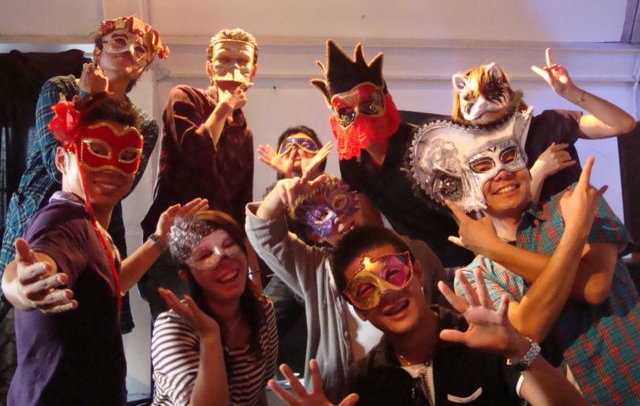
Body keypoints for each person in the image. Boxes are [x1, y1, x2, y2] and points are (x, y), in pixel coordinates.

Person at [0, 93, 203, 406]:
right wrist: (23, 286)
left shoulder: (92, 227)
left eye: (127, 156)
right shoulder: (63, 220)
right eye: (96, 150)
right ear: (61, 159)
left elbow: (112, 283)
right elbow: (34, 264)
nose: (112, 167)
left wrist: (159, 239)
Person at [269, 226, 587, 406]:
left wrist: (518, 349)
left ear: (417, 272)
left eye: (393, 274)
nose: (388, 293)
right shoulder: (364, 383)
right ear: (358, 308)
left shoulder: (481, 341)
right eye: (366, 290)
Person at [447, 152, 640, 403]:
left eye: (510, 156)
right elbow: (529, 328)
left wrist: (495, 249)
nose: (502, 172)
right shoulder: (474, 276)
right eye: (483, 166)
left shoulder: (575, 199)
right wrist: (576, 231)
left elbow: (594, 286)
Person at [246, 174, 445, 402]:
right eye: (321, 216)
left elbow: (444, 312)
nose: (339, 220)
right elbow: (266, 235)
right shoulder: (316, 271)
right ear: (313, 234)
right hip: (349, 394)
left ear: (353, 199)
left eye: (339, 202)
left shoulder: (414, 252)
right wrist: (281, 192)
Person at [311, 39, 472, 267]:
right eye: (345, 110)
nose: (359, 115)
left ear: (385, 100)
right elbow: (370, 220)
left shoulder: (423, 142)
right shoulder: (351, 160)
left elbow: (465, 205)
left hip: (465, 253)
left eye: (368, 103)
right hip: (417, 261)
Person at [140, 28, 258, 320]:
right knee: (177, 330)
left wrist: (251, 267)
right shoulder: (184, 98)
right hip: (175, 241)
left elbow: (240, 204)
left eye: (242, 61)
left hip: (219, 247)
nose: (233, 68)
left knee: (219, 329)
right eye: (223, 59)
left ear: (253, 72)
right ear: (209, 68)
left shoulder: (243, 131)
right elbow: (196, 153)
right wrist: (224, 106)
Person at [450, 48, 636, 204]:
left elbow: (622, 124)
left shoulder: (549, 124)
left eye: (490, 93)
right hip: (528, 237)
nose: (482, 104)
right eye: (472, 98)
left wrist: (570, 92)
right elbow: (502, 220)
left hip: (578, 228)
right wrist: (538, 171)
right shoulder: (472, 160)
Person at [152, 210, 277, 406]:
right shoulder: (173, 328)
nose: (223, 257)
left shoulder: (262, 309)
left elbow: (259, 393)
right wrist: (210, 337)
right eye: (205, 255)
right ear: (187, 275)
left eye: (228, 245)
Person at [256, 125, 332, 373]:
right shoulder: (274, 195)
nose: (297, 150)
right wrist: (289, 178)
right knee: (260, 324)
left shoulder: (333, 188)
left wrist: (311, 182)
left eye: (306, 145)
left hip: (328, 267)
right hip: (290, 271)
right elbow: (267, 232)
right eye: (288, 146)